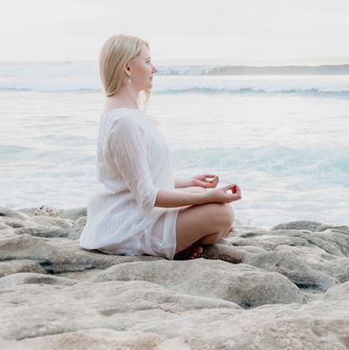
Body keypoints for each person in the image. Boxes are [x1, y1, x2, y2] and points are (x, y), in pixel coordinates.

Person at [79, 34, 241, 260]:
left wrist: (190, 183)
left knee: (201, 195)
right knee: (221, 214)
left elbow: (136, 178)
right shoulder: (124, 123)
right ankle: (177, 245)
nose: (153, 68)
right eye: (147, 62)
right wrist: (207, 199)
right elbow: (146, 196)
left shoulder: (128, 115)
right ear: (127, 68)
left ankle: (188, 239)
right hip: (130, 226)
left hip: (136, 212)